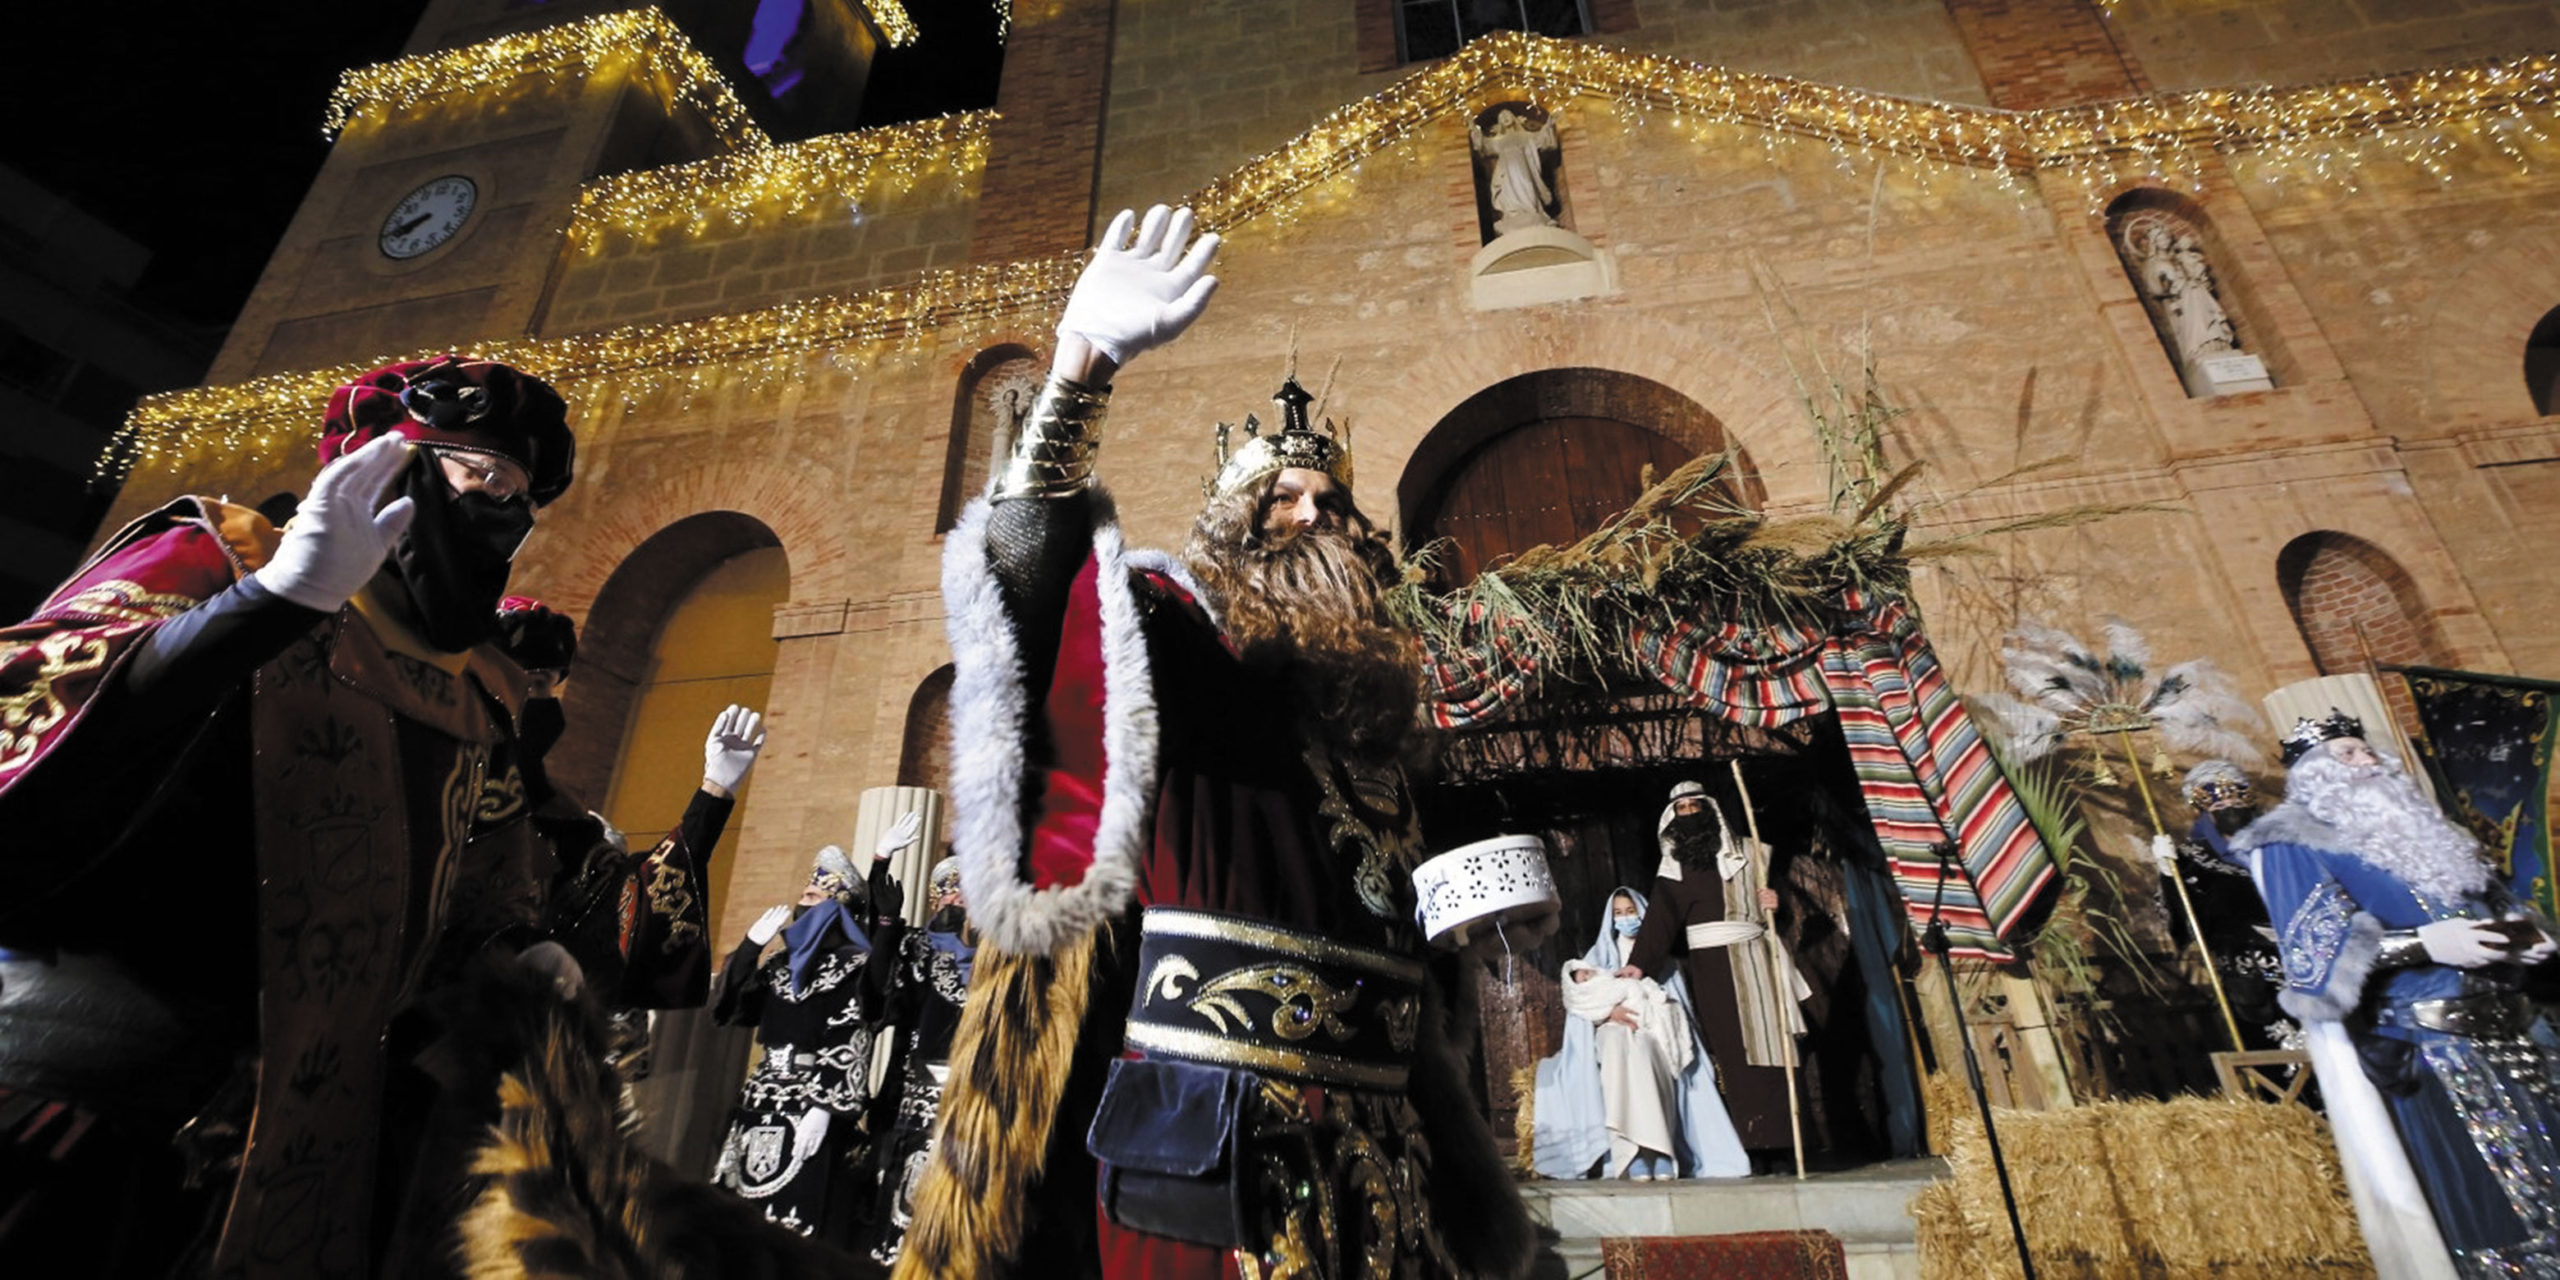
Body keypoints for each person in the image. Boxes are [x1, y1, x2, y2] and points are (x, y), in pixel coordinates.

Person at [896, 205, 1532, 1280]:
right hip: (1216, 1155)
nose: (1314, 514)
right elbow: (1029, 590)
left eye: (1331, 500)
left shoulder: (1373, 723)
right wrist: (1081, 364)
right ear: (1229, 527)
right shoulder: (1176, 639)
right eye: (1281, 496)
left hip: (1390, 1161)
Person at [0, 354, 577, 1277]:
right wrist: (269, 604)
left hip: (291, 1135)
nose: (503, 506)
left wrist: (513, 944)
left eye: (519, 491)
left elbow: (470, 866)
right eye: (479, 470)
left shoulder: (478, 692)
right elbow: (31, 707)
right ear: (389, 458)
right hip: (73, 1077)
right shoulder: (220, 553)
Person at [2236, 710, 2560, 1276]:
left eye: (2366, 751)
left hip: (2519, 1027)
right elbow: (2314, 958)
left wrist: (2524, 936)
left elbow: (2492, 902)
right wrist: (2424, 943)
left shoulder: (2430, 829)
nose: (2367, 762)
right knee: (2499, 1209)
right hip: (2429, 1044)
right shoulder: (2290, 841)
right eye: (2346, 756)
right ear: (2312, 776)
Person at [709, 829, 909, 1244]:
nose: (804, 900)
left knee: (797, 1217)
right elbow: (735, 1010)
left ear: (838, 910)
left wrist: (823, 1105)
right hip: (760, 1100)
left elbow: (855, 1029)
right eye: (805, 893)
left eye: (815, 897)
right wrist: (748, 949)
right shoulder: (782, 964)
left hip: (810, 1105)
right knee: (737, 1217)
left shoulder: (854, 966)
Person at [1626, 780, 1809, 1167]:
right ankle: (1753, 1147)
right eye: (1682, 810)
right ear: (1672, 820)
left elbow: (1782, 914)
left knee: (1773, 1049)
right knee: (1733, 1054)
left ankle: (1787, 1142)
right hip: (1713, 971)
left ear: (1711, 811)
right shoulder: (1672, 870)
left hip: (1757, 960)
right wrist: (1639, 963)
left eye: (1696, 807)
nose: (1690, 815)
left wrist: (1776, 903)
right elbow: (1660, 922)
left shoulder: (1750, 854)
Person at [1533, 887, 1750, 1182]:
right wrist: (1609, 1014)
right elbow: (1579, 1004)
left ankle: (1658, 1150)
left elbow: (1676, 1006)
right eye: (1618, 914)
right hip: (1609, 1028)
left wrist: (1649, 1010)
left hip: (1653, 1029)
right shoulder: (1595, 958)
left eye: (1630, 912)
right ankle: (1631, 1151)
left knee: (1643, 1053)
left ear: (1644, 914)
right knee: (1616, 1047)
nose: (1625, 919)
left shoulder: (1661, 959)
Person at [863, 855, 975, 1267]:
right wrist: (888, 925)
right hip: (912, 1108)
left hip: (974, 1108)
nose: (955, 897)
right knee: (897, 1221)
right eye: (945, 889)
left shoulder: (1002, 954)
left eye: (964, 888)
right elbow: (876, 996)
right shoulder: (915, 948)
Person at [2165, 758, 2291, 1052]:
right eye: (2219, 808)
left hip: (2305, 963)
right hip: (2249, 974)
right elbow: (2184, 922)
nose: (2230, 811)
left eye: (2236, 802)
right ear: (2203, 812)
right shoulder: (2192, 858)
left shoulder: (2280, 847)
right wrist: (2168, 874)